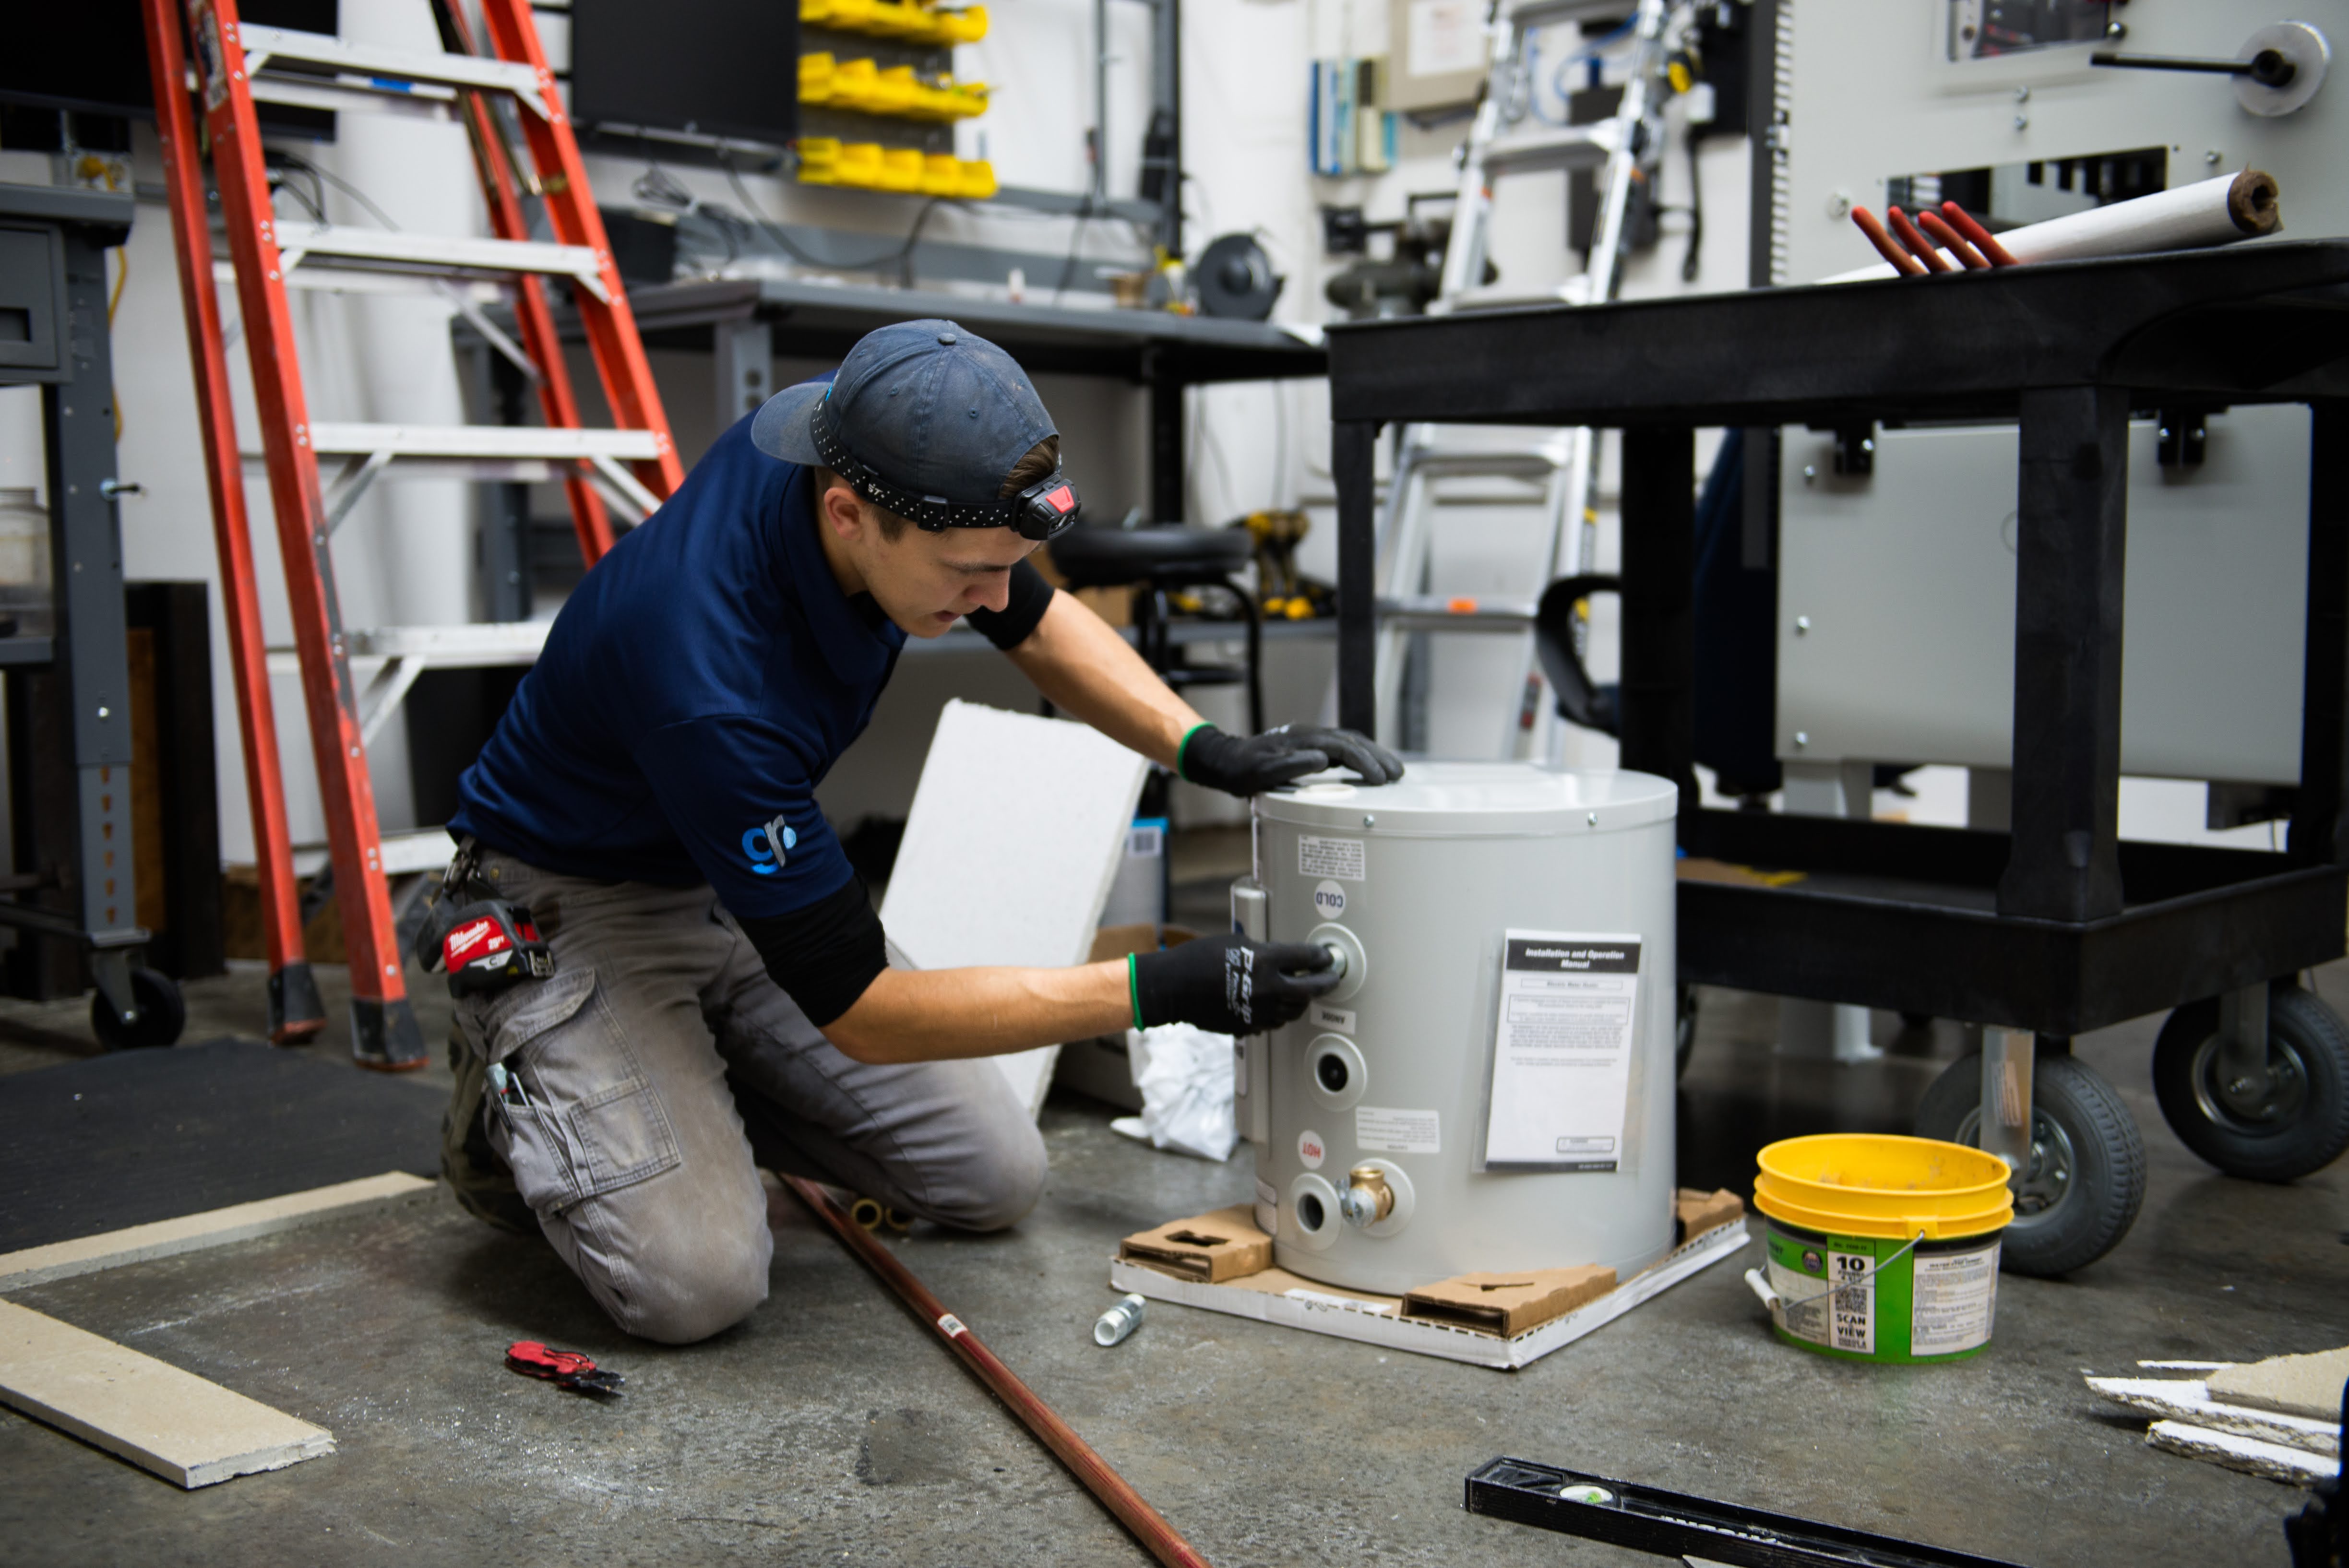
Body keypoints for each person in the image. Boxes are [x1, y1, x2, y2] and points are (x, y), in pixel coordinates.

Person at [434, 320, 1401, 1343]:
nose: (993, 596)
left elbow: (1032, 615)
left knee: (993, 1176)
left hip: (724, 878)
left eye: (1007, 561)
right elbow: (864, 1009)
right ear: (848, 515)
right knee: (695, 1284)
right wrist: (1156, 991)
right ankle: (523, 1101)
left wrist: (1210, 749)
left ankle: (677, 1090)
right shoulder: (705, 671)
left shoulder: (865, 433)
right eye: (966, 572)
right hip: (575, 896)